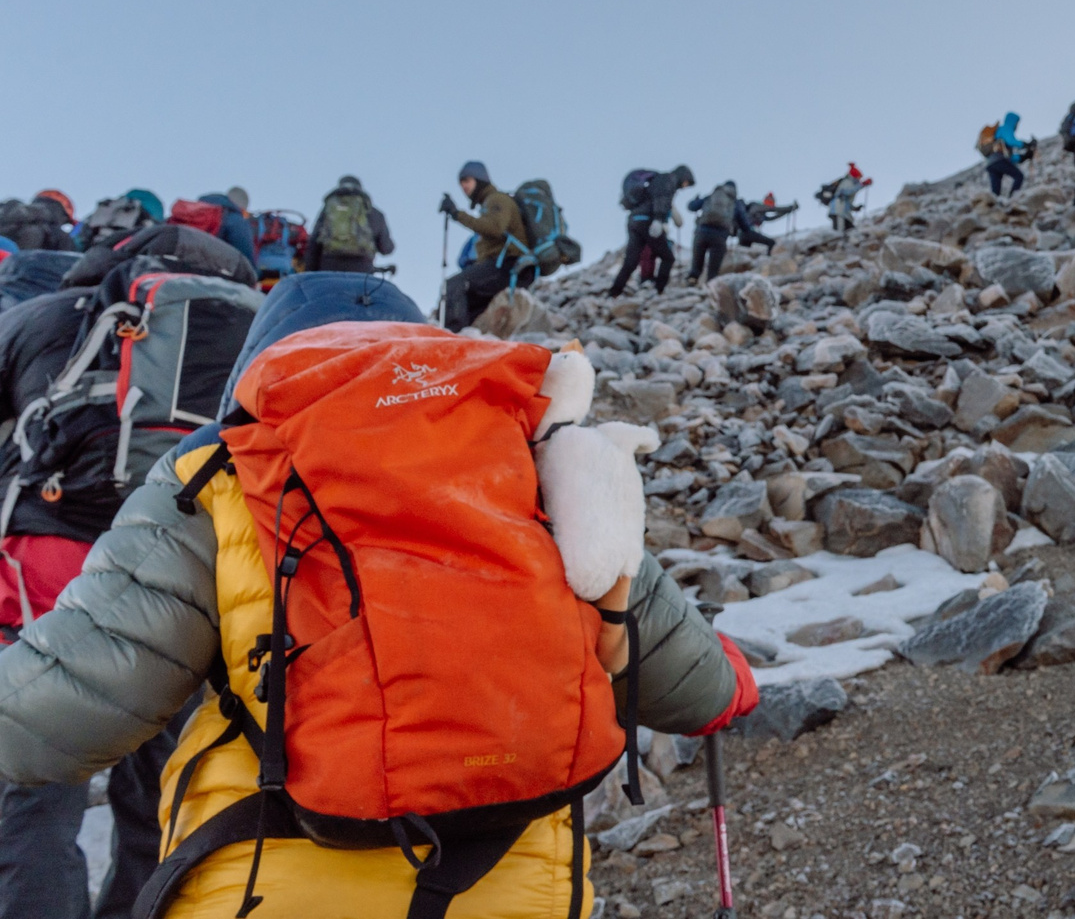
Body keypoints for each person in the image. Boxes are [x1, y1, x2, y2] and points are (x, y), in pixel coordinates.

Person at [0, 272, 758, 918]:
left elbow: (55, 714)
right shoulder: (540, 461)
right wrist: (735, 677)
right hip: (517, 893)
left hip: (267, 888)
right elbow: (696, 686)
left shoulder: (222, 472)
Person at [0, 235, 258, 918]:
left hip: (53, 555)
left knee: (40, 781)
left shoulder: (49, 315)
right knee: (160, 782)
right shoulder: (251, 329)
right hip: (187, 559)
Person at [439, 160, 531, 327]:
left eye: (467, 180)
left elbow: (494, 228)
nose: (463, 187)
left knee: (452, 286)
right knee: (469, 303)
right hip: (503, 266)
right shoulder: (489, 203)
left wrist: (456, 214)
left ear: (479, 179)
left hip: (509, 265)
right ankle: (466, 335)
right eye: (461, 183)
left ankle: (451, 335)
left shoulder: (497, 200)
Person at [606, 165, 691, 298]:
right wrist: (658, 219)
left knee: (631, 261)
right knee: (668, 257)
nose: (685, 186)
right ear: (683, 176)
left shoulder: (655, 181)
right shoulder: (667, 180)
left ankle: (613, 293)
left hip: (634, 220)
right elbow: (661, 199)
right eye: (686, 183)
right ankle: (659, 290)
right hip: (648, 221)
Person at [300, 175, 394, 274]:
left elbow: (314, 243)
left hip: (329, 266)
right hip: (362, 269)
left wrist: (310, 271)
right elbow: (386, 248)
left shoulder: (328, 209)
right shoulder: (374, 213)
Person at [686, 179, 740, 284]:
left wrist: (695, 200)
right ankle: (710, 286)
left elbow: (691, 207)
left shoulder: (710, 197)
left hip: (702, 233)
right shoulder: (734, 202)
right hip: (720, 236)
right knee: (713, 270)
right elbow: (743, 222)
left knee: (696, 264)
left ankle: (693, 279)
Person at [983, 112, 1029, 197]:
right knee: (1019, 176)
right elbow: (1011, 141)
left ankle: (994, 203)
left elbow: (1010, 157)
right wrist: (1025, 144)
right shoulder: (1006, 129)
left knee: (995, 191)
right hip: (999, 160)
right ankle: (1013, 198)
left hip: (991, 163)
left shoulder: (999, 134)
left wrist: (1023, 157)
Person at [818, 163, 872, 232]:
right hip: (838, 210)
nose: (859, 179)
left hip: (844, 212)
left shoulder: (851, 183)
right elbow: (847, 192)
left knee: (850, 230)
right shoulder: (847, 182)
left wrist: (854, 208)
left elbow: (846, 201)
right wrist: (862, 185)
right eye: (859, 177)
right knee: (839, 230)